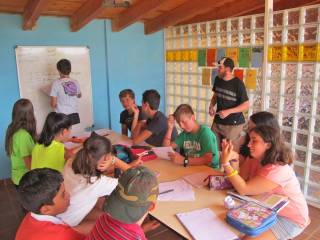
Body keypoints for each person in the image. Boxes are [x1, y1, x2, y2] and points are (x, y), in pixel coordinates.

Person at [221, 126, 310, 240]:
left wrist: (225, 164)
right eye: (249, 140)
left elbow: (243, 189)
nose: (248, 145)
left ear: (268, 145)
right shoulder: (255, 159)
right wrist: (233, 159)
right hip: (267, 208)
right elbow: (240, 179)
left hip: (289, 218)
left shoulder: (278, 170)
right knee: (229, 226)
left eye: (254, 141)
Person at [58, 132, 142, 226]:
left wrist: (129, 165)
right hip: (67, 226)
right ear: (107, 157)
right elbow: (137, 180)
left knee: (103, 206)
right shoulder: (97, 183)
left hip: (60, 215)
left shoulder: (72, 162)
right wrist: (116, 161)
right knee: (115, 222)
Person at [86, 166, 159, 240]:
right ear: (152, 207)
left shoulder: (105, 217)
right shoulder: (137, 237)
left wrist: (142, 230)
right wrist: (141, 232)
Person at [15, 168, 86, 240]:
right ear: (46, 209)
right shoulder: (63, 235)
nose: (68, 195)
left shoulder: (30, 215)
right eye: (63, 194)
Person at [163, 104, 220, 169]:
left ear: (193, 118)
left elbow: (208, 160)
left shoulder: (205, 133)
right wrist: (170, 128)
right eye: (179, 123)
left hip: (210, 172)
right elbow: (165, 150)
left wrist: (184, 160)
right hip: (192, 170)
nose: (181, 126)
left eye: (184, 122)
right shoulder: (184, 134)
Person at [209, 57, 249, 147]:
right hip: (218, 121)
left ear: (227, 69)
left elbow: (246, 105)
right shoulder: (217, 79)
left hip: (233, 124)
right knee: (213, 148)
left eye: (220, 67)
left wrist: (229, 111)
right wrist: (211, 106)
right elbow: (216, 95)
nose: (217, 69)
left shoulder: (238, 84)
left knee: (228, 152)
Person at [5, 99, 37, 186]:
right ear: (30, 115)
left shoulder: (13, 130)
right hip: (25, 179)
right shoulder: (23, 136)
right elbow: (30, 166)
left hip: (18, 177)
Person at [50, 59, 81, 125]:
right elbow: (79, 95)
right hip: (73, 114)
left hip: (61, 116)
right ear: (70, 69)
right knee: (69, 132)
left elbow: (53, 104)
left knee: (62, 134)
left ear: (59, 70)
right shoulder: (75, 82)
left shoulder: (56, 83)